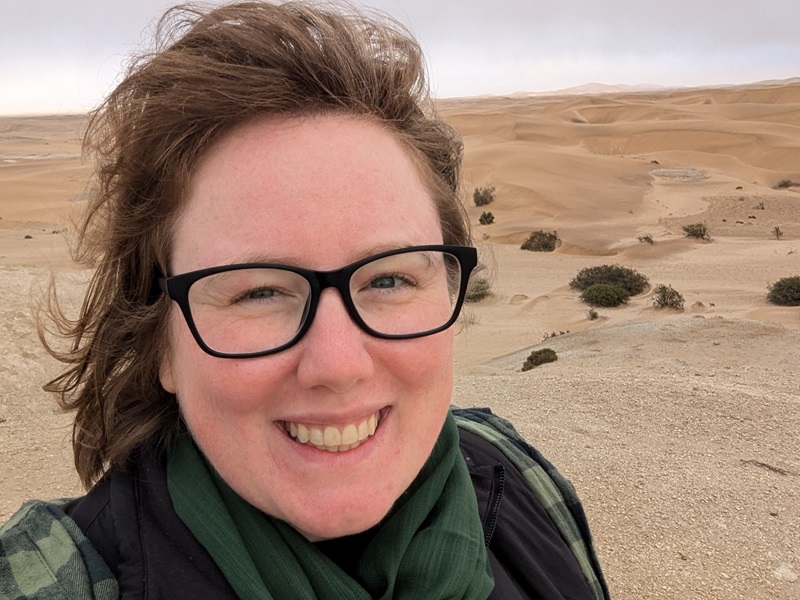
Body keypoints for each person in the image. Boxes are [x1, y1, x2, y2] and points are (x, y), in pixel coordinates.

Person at [0, 2, 609, 599]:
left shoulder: (521, 477)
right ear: (161, 340)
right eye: (259, 291)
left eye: (390, 280)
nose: (338, 365)